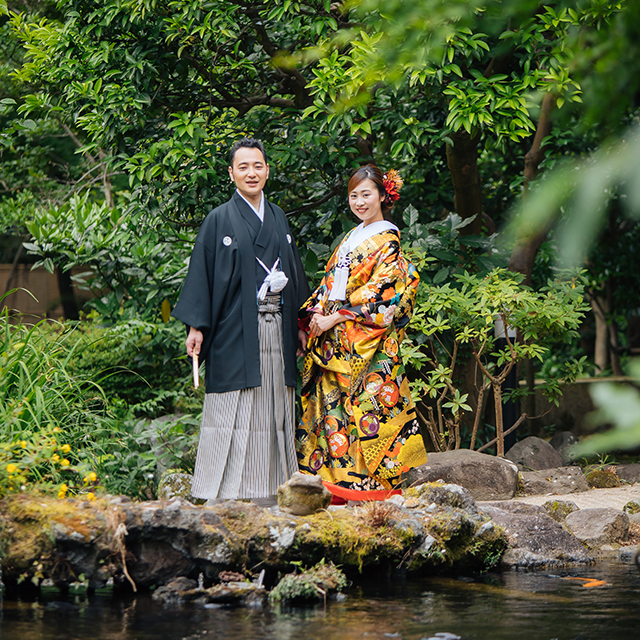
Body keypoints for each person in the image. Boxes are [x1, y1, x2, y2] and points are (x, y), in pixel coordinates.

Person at [172, 137, 310, 506]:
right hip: (235, 330)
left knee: (273, 405)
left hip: (277, 327)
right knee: (232, 403)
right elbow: (201, 275)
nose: (252, 173)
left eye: (258, 166)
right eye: (244, 167)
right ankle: (226, 494)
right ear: (231, 173)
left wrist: (299, 322)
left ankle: (274, 489)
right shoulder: (219, 219)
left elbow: (295, 274)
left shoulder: (278, 217)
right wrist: (195, 326)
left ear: (267, 170)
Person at [296, 164, 427, 503]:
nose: (359, 201)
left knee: (365, 413)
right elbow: (330, 286)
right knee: (333, 417)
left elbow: (382, 296)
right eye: (353, 195)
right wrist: (314, 316)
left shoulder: (389, 243)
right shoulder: (351, 237)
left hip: (366, 346)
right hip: (334, 341)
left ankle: (372, 495)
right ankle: (336, 490)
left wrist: (336, 317)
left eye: (366, 194)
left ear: (383, 196)